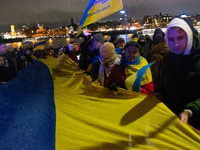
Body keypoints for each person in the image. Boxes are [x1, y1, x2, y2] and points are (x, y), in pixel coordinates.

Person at [156, 17, 200, 129]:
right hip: (173, 121)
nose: (176, 44)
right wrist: (160, 94)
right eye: (171, 39)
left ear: (189, 37)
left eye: (180, 38)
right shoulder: (168, 60)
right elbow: (169, 87)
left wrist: (189, 110)